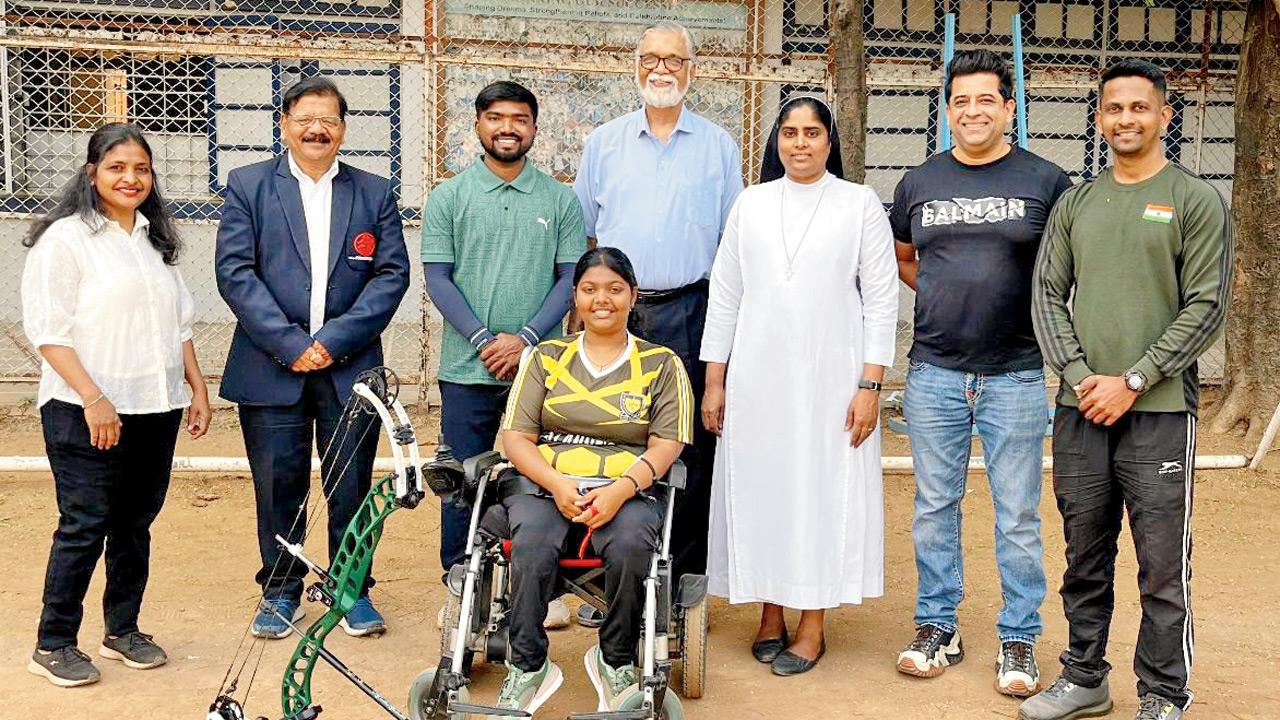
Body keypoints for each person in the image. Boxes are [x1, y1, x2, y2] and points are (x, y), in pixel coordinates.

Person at [1023, 60, 1232, 720]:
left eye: (1140, 107)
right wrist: (1082, 377)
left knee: (1161, 565)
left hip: (1160, 412)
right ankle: (1084, 677)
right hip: (1081, 409)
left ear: (1165, 115)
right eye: (1114, 109)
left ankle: (1164, 692)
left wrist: (1135, 379)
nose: (1126, 119)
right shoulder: (1077, 203)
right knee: (1084, 554)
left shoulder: (1195, 200)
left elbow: (1207, 306)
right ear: (1099, 119)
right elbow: (1046, 295)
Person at [889, 49, 1073, 696]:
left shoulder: (1046, 181)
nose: (973, 111)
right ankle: (937, 627)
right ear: (948, 110)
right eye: (961, 100)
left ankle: (1018, 636)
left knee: (1017, 514)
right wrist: (948, 291)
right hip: (934, 372)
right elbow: (903, 256)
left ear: (1009, 108)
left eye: (986, 99)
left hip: (1016, 375)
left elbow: (1065, 268)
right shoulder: (920, 181)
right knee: (934, 508)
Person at [700, 96, 900, 676]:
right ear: (777, 141)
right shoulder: (752, 203)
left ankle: (813, 623)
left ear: (830, 141)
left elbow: (882, 299)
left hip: (831, 378)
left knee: (819, 490)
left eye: (812, 132)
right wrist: (715, 381)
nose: (800, 143)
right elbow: (726, 296)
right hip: (757, 377)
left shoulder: (858, 203)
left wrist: (870, 385)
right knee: (764, 486)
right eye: (789, 133)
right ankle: (770, 612)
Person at [215, 77, 410, 639]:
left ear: (343, 130)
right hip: (270, 366)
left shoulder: (373, 192)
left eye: (328, 120)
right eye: (305, 119)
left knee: (350, 484)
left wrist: (332, 341)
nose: (316, 129)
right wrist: (292, 344)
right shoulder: (249, 185)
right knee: (279, 484)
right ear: (285, 125)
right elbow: (235, 271)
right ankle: (281, 589)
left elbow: (390, 275)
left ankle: (352, 590)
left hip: (349, 368)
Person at [21, 123, 210, 687]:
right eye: (117, 168)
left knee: (134, 524)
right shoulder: (66, 239)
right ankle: (54, 642)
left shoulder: (155, 241)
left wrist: (197, 388)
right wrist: (94, 397)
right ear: (92, 174)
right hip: (85, 409)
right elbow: (48, 332)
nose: (131, 178)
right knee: (85, 524)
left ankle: (122, 630)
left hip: (155, 405)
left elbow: (179, 326)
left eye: (141, 169)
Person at [573, 20, 742, 604]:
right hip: (615, 316)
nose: (661, 69)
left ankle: (679, 584)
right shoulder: (604, 143)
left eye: (674, 60)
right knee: (608, 435)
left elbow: (732, 241)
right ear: (636, 66)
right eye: (651, 58)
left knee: (689, 441)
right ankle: (604, 581)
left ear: (692, 70)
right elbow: (586, 235)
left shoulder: (719, 146)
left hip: (692, 310)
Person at [495, 247, 694, 715]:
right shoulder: (546, 357)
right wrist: (557, 484)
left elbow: (667, 444)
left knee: (630, 544)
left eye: (614, 289)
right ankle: (527, 665)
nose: (601, 299)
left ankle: (615, 659)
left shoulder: (662, 363)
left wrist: (620, 490)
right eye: (589, 289)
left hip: (627, 489)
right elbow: (517, 438)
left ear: (633, 296)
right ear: (575, 297)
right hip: (547, 486)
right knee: (532, 540)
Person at [423, 80, 586, 629]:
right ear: (478, 125)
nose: (507, 128)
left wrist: (527, 340)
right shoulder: (449, 196)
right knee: (461, 479)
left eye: (519, 118)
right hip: (466, 368)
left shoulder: (559, 199)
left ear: (534, 128)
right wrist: (483, 341)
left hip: (541, 369)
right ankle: (460, 584)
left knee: (542, 477)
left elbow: (569, 279)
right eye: (496, 117)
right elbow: (438, 278)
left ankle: (543, 587)